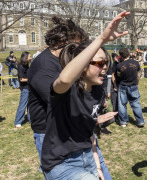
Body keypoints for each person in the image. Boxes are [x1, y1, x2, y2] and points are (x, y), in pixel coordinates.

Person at [41, 11, 129, 179]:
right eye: (99, 63)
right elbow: (65, 78)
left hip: (88, 156)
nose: (105, 67)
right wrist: (101, 39)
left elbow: (89, 134)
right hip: (61, 163)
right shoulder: (66, 90)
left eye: (107, 62)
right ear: (82, 66)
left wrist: (97, 164)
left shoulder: (98, 91)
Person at [27, 16, 112, 179]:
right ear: (63, 43)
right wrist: (94, 116)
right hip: (50, 132)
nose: (81, 53)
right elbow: (63, 95)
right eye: (77, 47)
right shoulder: (44, 66)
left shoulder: (66, 63)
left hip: (78, 129)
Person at [116, 48, 146, 128]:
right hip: (133, 85)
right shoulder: (136, 63)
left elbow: (118, 76)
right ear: (129, 54)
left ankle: (123, 122)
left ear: (121, 56)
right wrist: (137, 84)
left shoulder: (119, 65)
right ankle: (140, 121)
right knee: (136, 104)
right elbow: (138, 75)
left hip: (123, 86)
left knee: (122, 104)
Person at [14, 51, 32, 128]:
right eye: (29, 56)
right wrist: (31, 79)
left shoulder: (27, 65)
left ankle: (31, 120)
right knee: (22, 105)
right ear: (25, 57)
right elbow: (21, 79)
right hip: (25, 89)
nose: (30, 58)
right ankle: (18, 121)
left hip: (29, 88)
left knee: (30, 105)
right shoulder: (21, 66)